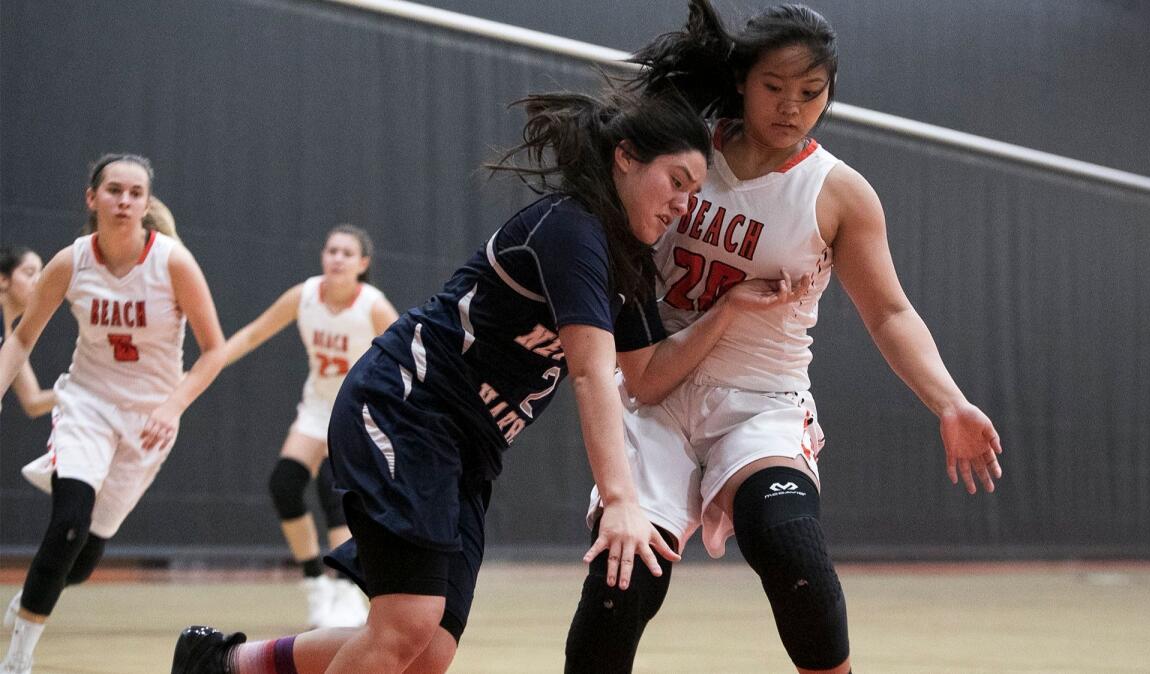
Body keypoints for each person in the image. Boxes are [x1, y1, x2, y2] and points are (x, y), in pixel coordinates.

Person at [171, 88, 808, 674]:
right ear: (625, 159)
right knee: (405, 624)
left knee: (429, 650)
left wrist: (726, 312)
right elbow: (590, 373)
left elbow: (644, 378)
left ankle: (222, 665)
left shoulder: (625, 259)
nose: (682, 203)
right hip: (409, 406)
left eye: (694, 192)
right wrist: (620, 498)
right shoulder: (570, 229)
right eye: (677, 181)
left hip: (467, 449)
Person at [563, 3, 1006, 673]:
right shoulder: (683, 154)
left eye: (811, 92)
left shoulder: (838, 193)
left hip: (760, 402)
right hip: (655, 389)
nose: (791, 106)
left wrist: (947, 401)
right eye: (775, 86)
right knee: (622, 583)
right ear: (742, 80)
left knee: (790, 548)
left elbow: (888, 312)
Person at [0, 155, 226, 674]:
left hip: (150, 418)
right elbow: (23, 337)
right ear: (92, 198)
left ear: (146, 204)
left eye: (134, 193)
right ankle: (18, 660)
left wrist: (173, 407)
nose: (124, 201)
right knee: (68, 526)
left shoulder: (172, 262)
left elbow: (215, 349)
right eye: (114, 190)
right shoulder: (70, 261)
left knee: (78, 565)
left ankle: (36, 592)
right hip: (88, 404)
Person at [220, 224, 399, 628]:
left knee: (334, 489)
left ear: (362, 264)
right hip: (317, 407)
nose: (337, 258)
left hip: (356, 410)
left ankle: (348, 588)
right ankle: (315, 581)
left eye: (346, 253)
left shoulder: (372, 305)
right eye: (331, 250)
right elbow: (252, 334)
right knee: (283, 484)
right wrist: (212, 362)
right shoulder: (304, 296)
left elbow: (408, 357)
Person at [0, 246, 55, 418]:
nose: (38, 281)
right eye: (29, 273)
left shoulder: (14, 341)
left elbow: (33, 402)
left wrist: (80, 391)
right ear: (3, 279)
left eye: (41, 274)